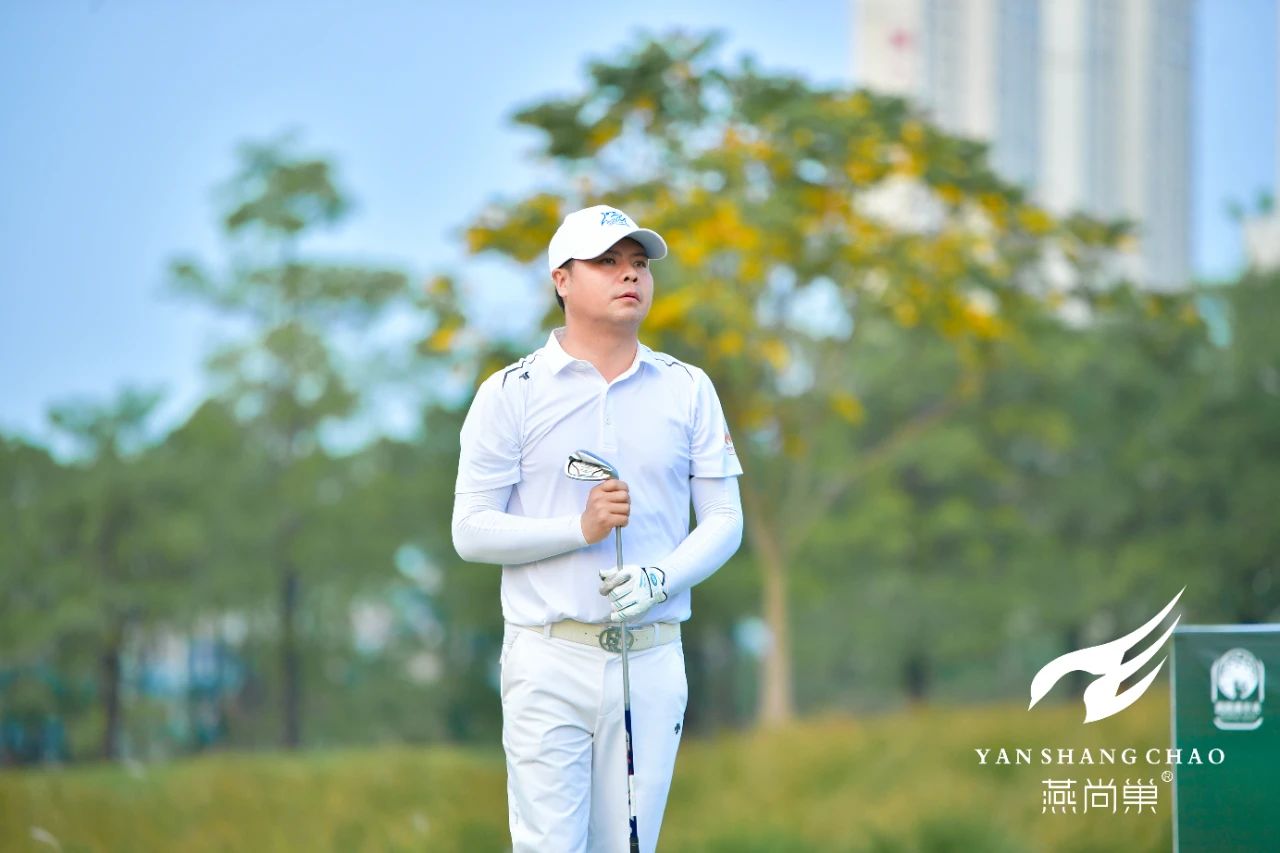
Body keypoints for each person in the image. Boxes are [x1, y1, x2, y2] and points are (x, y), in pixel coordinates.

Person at [452, 204, 745, 853]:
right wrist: (579, 528)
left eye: (638, 263)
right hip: (548, 654)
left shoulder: (687, 387)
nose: (629, 274)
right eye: (607, 262)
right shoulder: (510, 392)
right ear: (562, 279)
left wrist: (660, 577)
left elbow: (725, 518)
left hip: (653, 655)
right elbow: (470, 530)